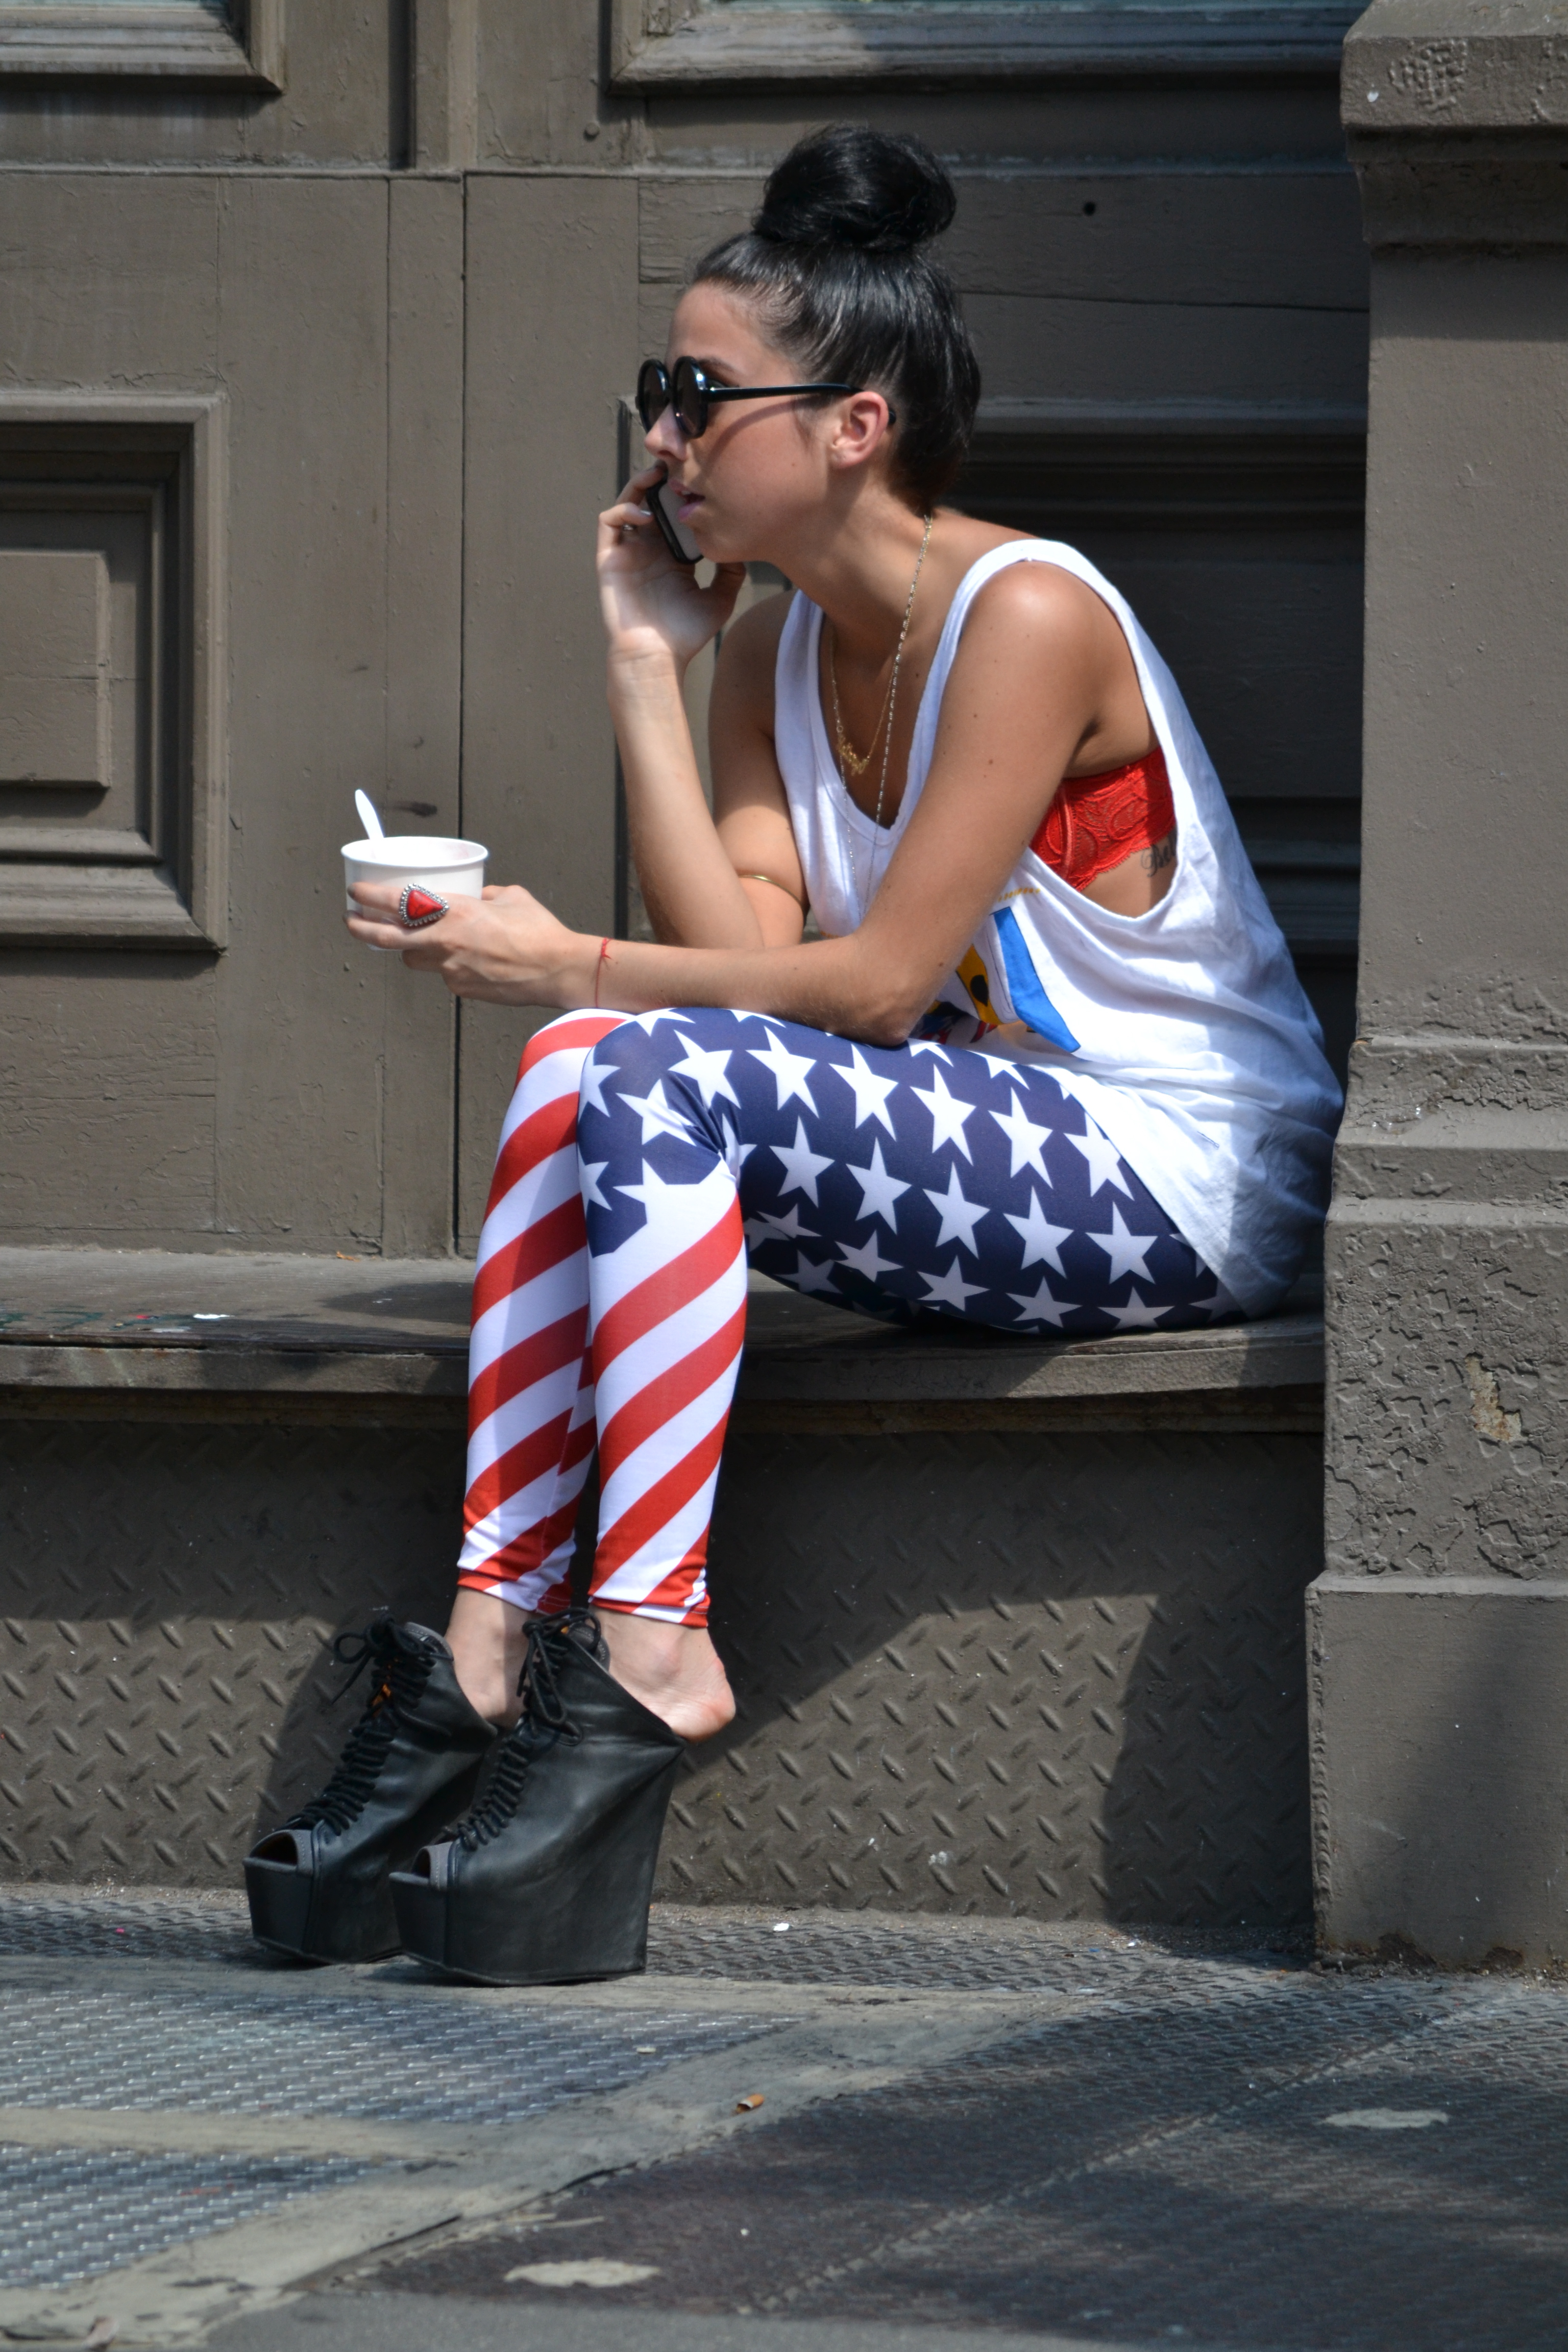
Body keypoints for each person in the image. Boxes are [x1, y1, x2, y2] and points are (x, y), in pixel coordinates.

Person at [244, 125, 1341, 1984]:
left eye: (699, 395)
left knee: (615, 1041)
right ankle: (492, 1645)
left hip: (1183, 1172)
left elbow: (880, 985)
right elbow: (746, 971)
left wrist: (565, 955)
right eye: (656, 393)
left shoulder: (1029, 614)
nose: (660, 436)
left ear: (852, 425)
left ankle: (650, 1639)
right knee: (586, 1067)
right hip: (993, 1151)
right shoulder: (773, 654)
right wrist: (644, 666)